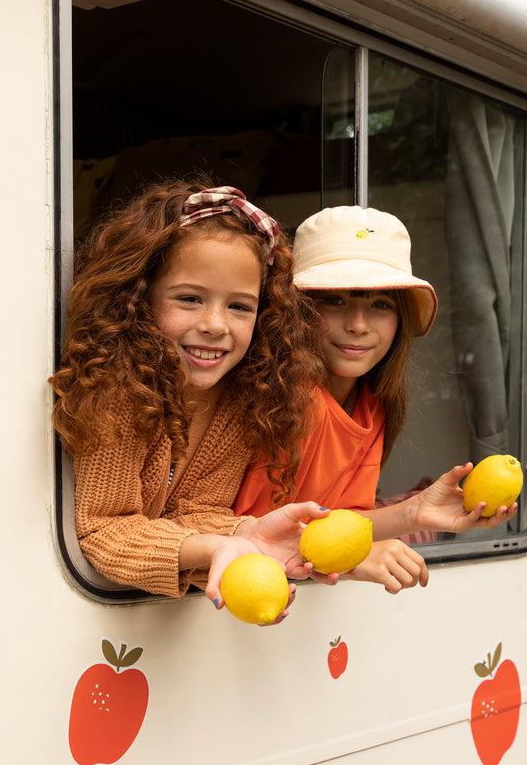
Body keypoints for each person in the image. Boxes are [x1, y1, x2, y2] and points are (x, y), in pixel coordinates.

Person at [50, 181, 336, 620]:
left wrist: (248, 534)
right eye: (189, 299)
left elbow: (196, 512)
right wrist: (214, 546)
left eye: (240, 307)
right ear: (138, 296)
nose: (214, 325)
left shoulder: (241, 401)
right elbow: (102, 531)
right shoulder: (117, 394)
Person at [234, 206, 518, 590]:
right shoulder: (277, 398)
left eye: (380, 305)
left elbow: (342, 521)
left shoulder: (372, 404)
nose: (357, 324)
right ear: (295, 309)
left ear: (400, 320)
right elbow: (246, 534)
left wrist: (416, 512)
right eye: (334, 301)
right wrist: (353, 558)